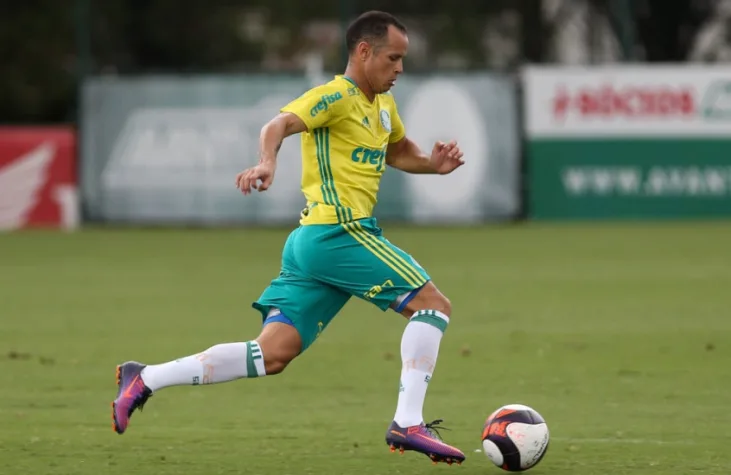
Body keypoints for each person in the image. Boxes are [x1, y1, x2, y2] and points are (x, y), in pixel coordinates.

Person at [111, 10, 466, 466]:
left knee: (271, 354)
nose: (400, 69)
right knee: (433, 305)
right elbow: (276, 125)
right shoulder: (335, 96)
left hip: (313, 245)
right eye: (393, 58)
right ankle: (407, 422)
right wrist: (267, 163)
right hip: (339, 233)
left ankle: (145, 378)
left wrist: (431, 165)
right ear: (364, 51)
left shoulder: (382, 106)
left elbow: (399, 150)